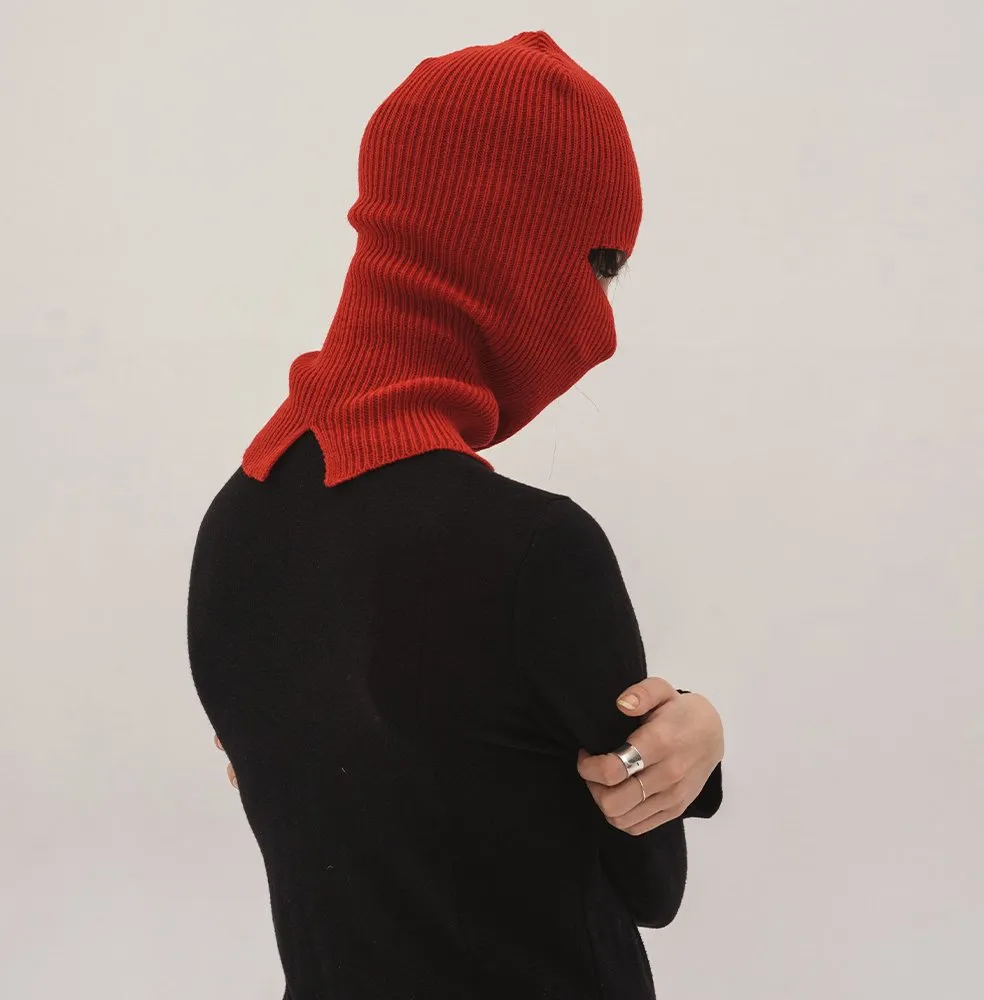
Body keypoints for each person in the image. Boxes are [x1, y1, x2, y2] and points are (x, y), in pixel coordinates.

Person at [187, 29, 724, 999]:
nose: (601, 328)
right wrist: (696, 734)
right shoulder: (537, 553)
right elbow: (653, 884)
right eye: (600, 266)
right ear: (512, 247)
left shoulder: (234, 527)